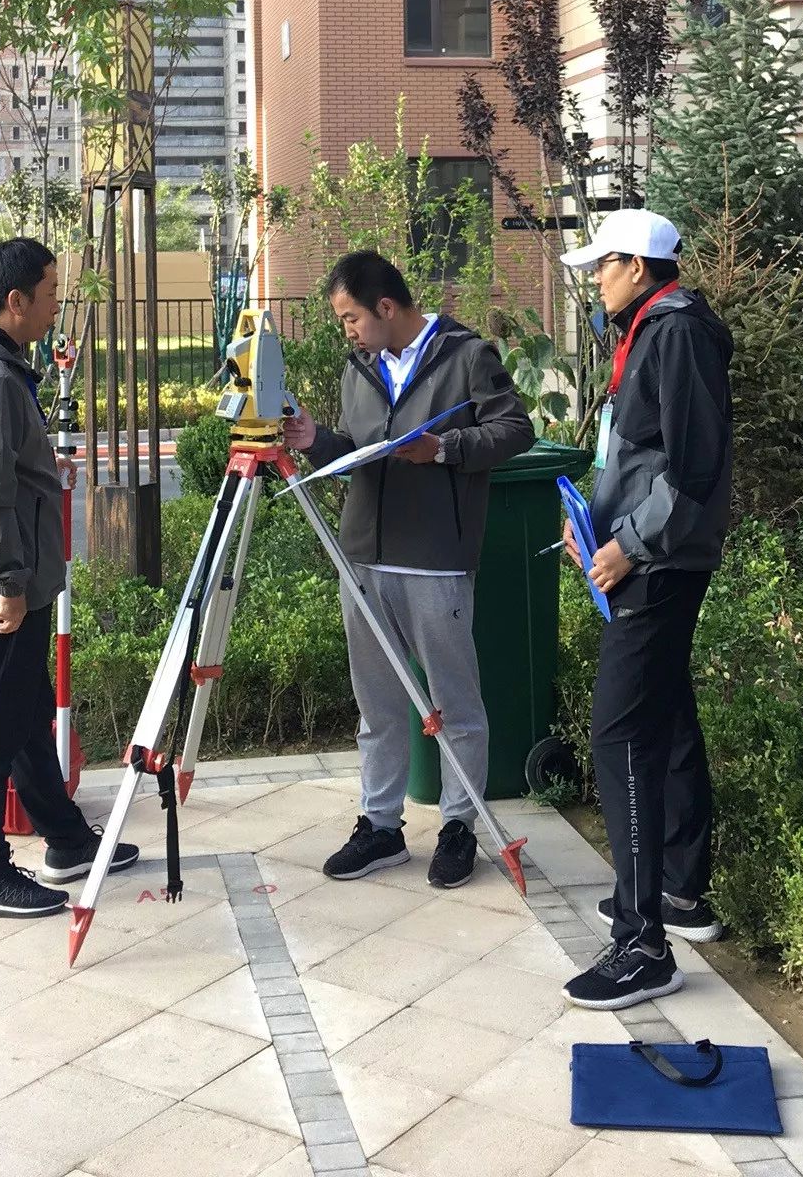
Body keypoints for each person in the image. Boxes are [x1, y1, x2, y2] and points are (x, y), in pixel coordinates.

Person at [284, 250, 535, 889]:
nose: (346, 331)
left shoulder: (467, 356)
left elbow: (514, 430)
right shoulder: (358, 368)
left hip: (435, 559)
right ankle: (380, 825)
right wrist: (318, 440)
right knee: (378, 702)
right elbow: (358, 449)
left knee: (454, 699)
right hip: (363, 555)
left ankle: (458, 825)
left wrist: (445, 447)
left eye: (349, 318)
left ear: (386, 308)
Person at [0, 237, 139, 918]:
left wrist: (45, 474)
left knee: (22, 712)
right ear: (15, 301)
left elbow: (5, 472)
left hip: (6, 572)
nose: (57, 307)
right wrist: (11, 585)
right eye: (50, 295)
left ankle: (67, 839)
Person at [558, 210, 733, 1012]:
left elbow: (693, 468)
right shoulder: (648, 332)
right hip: (642, 554)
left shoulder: (673, 334)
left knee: (622, 735)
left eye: (603, 266)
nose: (595, 278)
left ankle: (642, 945)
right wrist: (596, 527)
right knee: (663, 717)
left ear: (637, 265)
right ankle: (676, 893)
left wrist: (627, 543)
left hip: (659, 565)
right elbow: (639, 454)